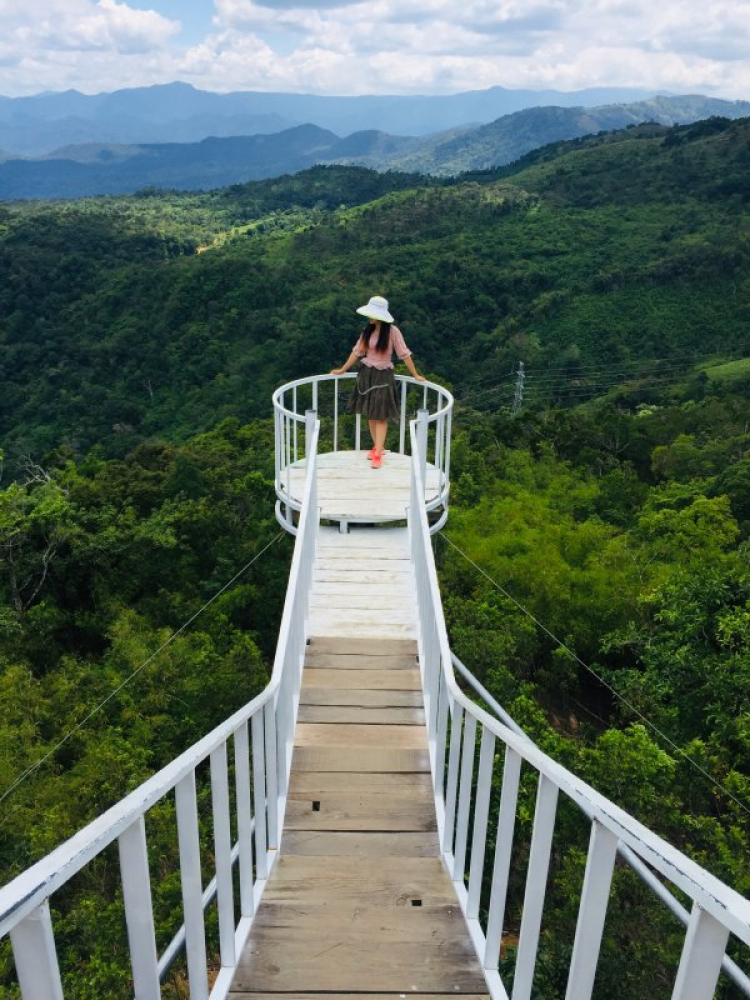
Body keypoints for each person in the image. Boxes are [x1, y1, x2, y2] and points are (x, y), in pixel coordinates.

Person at [331, 295, 425, 468]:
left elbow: (404, 354)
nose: (369, 317)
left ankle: (379, 453)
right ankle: (377, 448)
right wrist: (343, 369)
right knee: (370, 413)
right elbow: (357, 352)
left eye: (372, 313)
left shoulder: (393, 332)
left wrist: (416, 374)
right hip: (367, 373)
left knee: (381, 415)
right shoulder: (368, 330)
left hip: (383, 375)